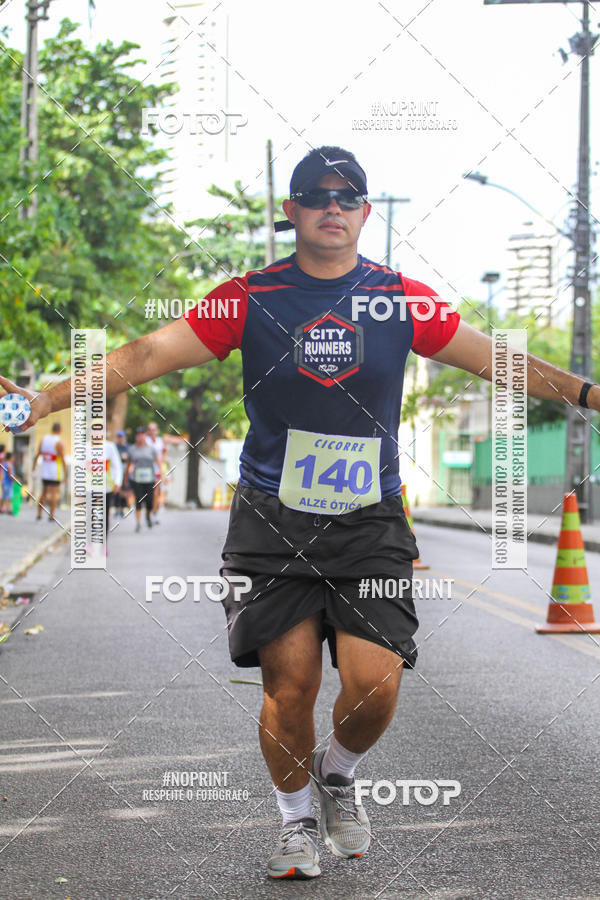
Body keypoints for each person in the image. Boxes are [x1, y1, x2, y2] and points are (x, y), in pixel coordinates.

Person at [2, 145, 600, 881]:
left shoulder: (400, 299)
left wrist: (589, 394)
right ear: (291, 212)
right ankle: (293, 824)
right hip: (271, 519)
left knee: (376, 681)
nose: (333, 206)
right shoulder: (249, 297)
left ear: (365, 213)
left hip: (370, 517)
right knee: (290, 688)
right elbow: (148, 352)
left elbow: (498, 360)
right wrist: (46, 398)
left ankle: (338, 772)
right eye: (317, 194)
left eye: (348, 196)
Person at [127, 427, 159, 532]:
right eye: (138, 435)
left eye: (142, 434)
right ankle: (138, 523)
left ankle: (148, 516)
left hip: (149, 478)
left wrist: (161, 475)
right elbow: (129, 464)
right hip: (137, 478)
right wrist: (126, 476)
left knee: (149, 501)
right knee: (139, 500)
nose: (140, 437)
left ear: (145, 436)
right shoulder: (132, 449)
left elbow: (158, 462)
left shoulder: (151, 449)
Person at [34, 422, 65, 522]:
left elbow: (38, 454)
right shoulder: (58, 441)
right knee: (54, 494)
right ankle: (51, 516)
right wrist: (65, 473)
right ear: (59, 430)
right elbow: (63, 458)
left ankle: (39, 514)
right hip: (55, 471)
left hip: (45, 470)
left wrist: (34, 468)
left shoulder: (44, 439)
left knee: (43, 493)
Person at [145, 421, 166, 521]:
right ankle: (148, 511)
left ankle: (154, 512)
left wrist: (162, 468)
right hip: (146, 469)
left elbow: (163, 454)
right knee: (148, 493)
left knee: (156, 492)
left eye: (153, 429)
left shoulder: (160, 441)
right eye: (149, 429)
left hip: (157, 469)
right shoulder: (145, 441)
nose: (151, 431)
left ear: (157, 431)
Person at [114, 430, 132, 517]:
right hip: (117, 471)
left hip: (126, 471)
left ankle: (124, 508)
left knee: (125, 490)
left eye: (121, 437)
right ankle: (117, 508)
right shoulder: (115, 447)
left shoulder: (128, 447)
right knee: (118, 489)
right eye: (119, 437)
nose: (120, 439)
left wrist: (126, 457)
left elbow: (131, 458)